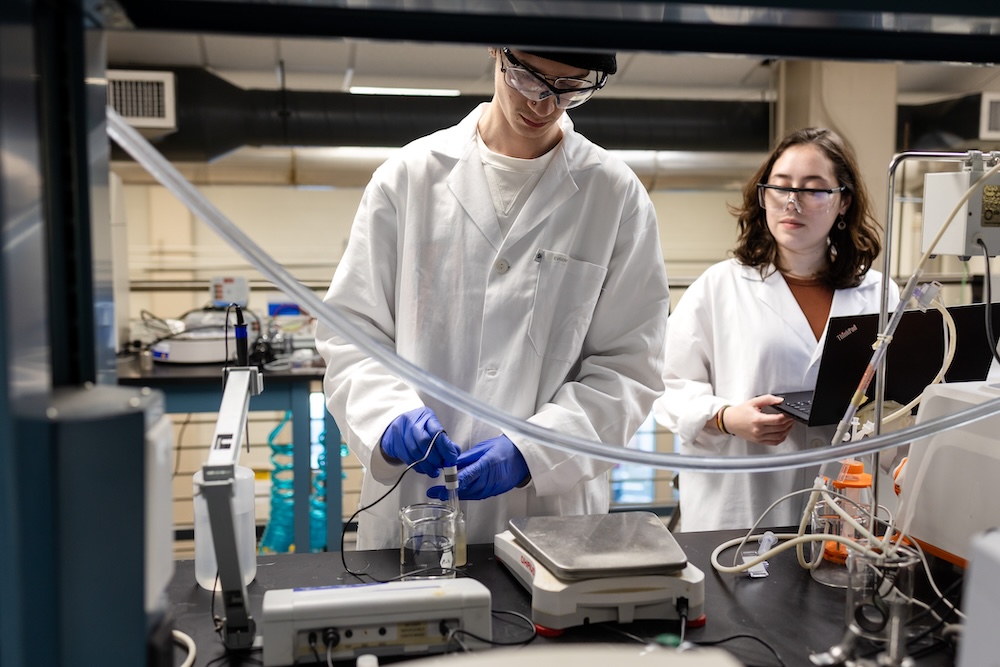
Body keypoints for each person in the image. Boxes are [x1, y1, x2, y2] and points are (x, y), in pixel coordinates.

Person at [316, 45, 670, 550]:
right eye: (529, 79)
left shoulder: (615, 195)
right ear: (496, 51)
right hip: (414, 503)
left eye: (569, 87)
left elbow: (629, 367)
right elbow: (351, 332)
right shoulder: (409, 176)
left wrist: (533, 452)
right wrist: (388, 414)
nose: (544, 105)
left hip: (549, 513)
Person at [653, 127, 900, 532]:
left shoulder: (880, 293)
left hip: (846, 504)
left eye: (813, 189)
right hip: (741, 506)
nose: (792, 201)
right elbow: (667, 383)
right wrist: (725, 417)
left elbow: (901, 400)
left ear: (844, 202)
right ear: (763, 195)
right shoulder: (721, 286)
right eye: (780, 187)